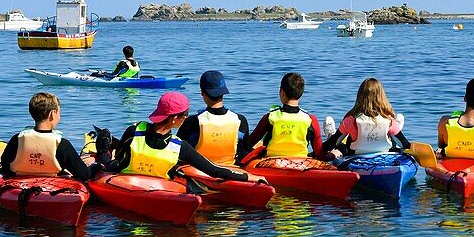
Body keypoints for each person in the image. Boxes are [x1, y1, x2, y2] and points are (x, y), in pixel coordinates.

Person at [102, 92, 252, 182]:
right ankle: (102, 151)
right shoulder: (179, 146)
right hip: (141, 184)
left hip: (127, 180)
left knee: (111, 161)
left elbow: (119, 160)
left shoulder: (133, 130)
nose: (186, 118)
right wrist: (249, 177)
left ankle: (103, 150)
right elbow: (213, 170)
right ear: (174, 118)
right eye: (185, 115)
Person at [0, 92, 93, 180]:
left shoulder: (17, 140)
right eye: (59, 112)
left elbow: (6, 165)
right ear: (52, 114)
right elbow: (84, 175)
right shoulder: (62, 144)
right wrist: (97, 166)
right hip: (53, 187)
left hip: (20, 183)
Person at [244, 72, 326, 160]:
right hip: (301, 163)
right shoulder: (311, 120)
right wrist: (332, 155)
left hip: (271, 164)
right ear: (301, 94)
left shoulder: (270, 117)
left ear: (282, 92)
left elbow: (248, 144)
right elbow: (319, 154)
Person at [322, 77, 410, 159]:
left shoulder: (350, 120)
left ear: (359, 96)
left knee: (340, 145)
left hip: (356, 158)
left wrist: (317, 151)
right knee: (395, 143)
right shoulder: (389, 121)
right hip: (383, 156)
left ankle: (331, 134)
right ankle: (395, 132)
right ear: (381, 97)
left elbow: (331, 144)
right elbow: (405, 145)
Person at [178, 70, 250, 166]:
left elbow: (177, 149)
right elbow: (243, 151)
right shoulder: (240, 120)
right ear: (223, 92)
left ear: (202, 93)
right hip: (231, 168)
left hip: (198, 171)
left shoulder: (193, 121)